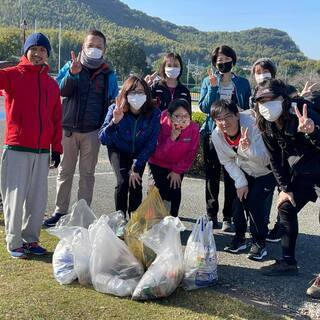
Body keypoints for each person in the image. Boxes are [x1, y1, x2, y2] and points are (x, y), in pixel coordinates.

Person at [43, 29, 118, 227]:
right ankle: (60, 211)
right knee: (65, 171)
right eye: (90, 45)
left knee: (87, 174)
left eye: (99, 46)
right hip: (68, 129)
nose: (94, 49)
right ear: (83, 47)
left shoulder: (109, 74)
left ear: (105, 50)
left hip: (93, 131)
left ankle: (82, 213)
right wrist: (72, 74)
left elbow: (113, 101)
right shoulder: (70, 66)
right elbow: (60, 90)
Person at [0, 33, 62, 258]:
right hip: (17, 148)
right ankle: (14, 241)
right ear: (26, 51)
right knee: (14, 200)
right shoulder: (13, 75)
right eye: (33, 49)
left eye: (42, 50)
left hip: (42, 151)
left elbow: (56, 118)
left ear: (47, 54)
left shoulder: (51, 84)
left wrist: (57, 148)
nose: (37, 53)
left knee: (37, 200)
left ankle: (31, 240)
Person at [253, 79, 320, 276]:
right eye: (261, 100)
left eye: (271, 98)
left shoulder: (302, 110)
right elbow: (275, 158)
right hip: (306, 170)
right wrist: (285, 188)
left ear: (283, 98)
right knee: (286, 207)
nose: (267, 104)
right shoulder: (266, 123)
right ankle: (288, 262)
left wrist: (313, 131)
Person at [211, 100, 276, 260]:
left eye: (228, 116)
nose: (224, 122)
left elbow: (264, 159)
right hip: (245, 170)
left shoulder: (253, 125)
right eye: (219, 119)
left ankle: (259, 242)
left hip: (266, 172)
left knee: (255, 203)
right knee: (238, 202)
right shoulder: (216, 135)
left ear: (237, 115)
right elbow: (226, 161)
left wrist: (248, 149)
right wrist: (241, 182)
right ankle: (240, 238)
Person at [199, 45, 251, 230]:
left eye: (227, 60)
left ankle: (228, 216)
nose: (223, 64)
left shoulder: (243, 83)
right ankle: (211, 214)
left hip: (236, 136)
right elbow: (205, 108)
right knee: (211, 176)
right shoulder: (208, 80)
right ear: (214, 64)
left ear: (233, 61)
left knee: (232, 176)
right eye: (219, 62)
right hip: (212, 134)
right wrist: (213, 88)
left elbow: (247, 108)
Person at [99, 75, 161, 218]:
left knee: (135, 183)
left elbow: (151, 143)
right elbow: (103, 138)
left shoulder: (154, 113)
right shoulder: (115, 108)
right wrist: (114, 122)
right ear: (125, 94)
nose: (137, 95)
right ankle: (119, 218)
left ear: (147, 94)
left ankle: (134, 218)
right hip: (118, 150)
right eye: (132, 92)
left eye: (140, 92)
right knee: (122, 182)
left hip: (139, 152)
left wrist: (136, 166)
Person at [148, 98, 199, 217]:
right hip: (157, 164)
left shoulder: (193, 128)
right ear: (170, 116)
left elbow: (191, 153)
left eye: (186, 115)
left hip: (177, 166)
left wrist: (177, 171)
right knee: (156, 192)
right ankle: (152, 222)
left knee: (175, 190)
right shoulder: (159, 124)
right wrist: (171, 139)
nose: (182, 119)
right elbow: (156, 153)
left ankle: (173, 221)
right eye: (178, 115)